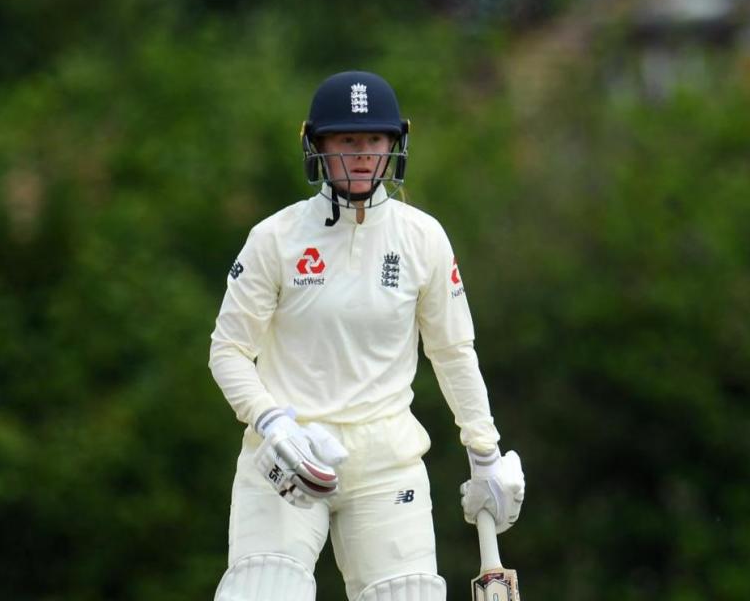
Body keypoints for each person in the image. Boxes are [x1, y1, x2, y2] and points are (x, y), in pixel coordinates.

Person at [209, 70, 525, 601]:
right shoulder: (275, 238)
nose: (362, 154)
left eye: (375, 140)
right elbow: (229, 350)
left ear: (393, 145)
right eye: (347, 141)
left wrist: (484, 453)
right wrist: (273, 423)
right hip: (289, 453)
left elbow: (452, 352)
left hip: (386, 460)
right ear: (318, 145)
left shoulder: (421, 237)